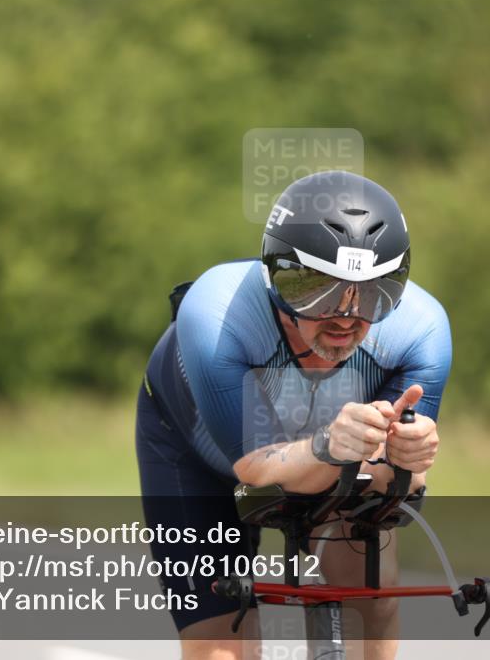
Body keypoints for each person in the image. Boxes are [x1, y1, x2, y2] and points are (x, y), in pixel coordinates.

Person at [135, 170, 451, 660]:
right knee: (220, 646)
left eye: (373, 292)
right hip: (198, 453)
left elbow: (397, 485)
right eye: (320, 291)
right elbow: (256, 470)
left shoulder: (421, 330)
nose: (346, 317)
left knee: (371, 596)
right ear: (277, 277)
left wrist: (411, 460)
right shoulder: (217, 316)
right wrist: (329, 445)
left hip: (332, 453)